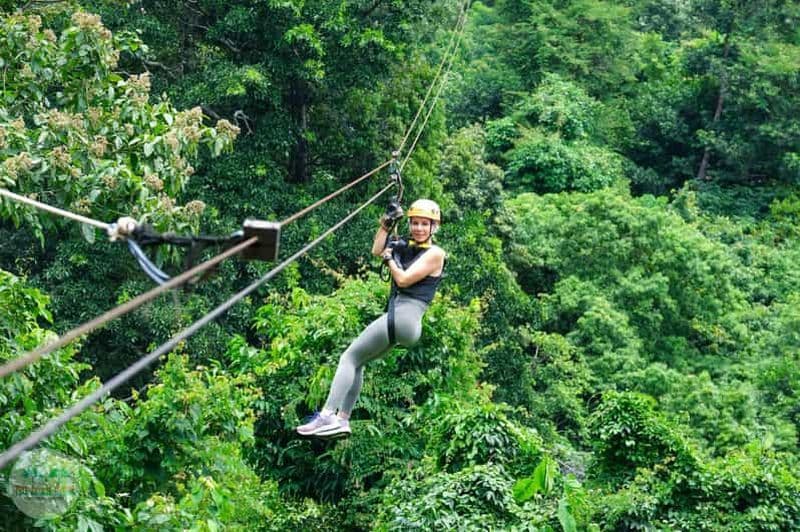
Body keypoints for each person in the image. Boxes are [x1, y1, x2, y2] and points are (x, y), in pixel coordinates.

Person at [296, 199, 446, 438]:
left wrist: (390, 260)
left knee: (348, 357)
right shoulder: (405, 246)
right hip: (401, 321)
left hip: (404, 317)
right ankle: (342, 419)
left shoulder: (436, 253)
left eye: (424, 224)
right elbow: (377, 250)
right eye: (415, 223)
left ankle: (326, 415)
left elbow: (403, 280)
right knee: (358, 363)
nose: (419, 228)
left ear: (433, 227)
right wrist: (386, 226)